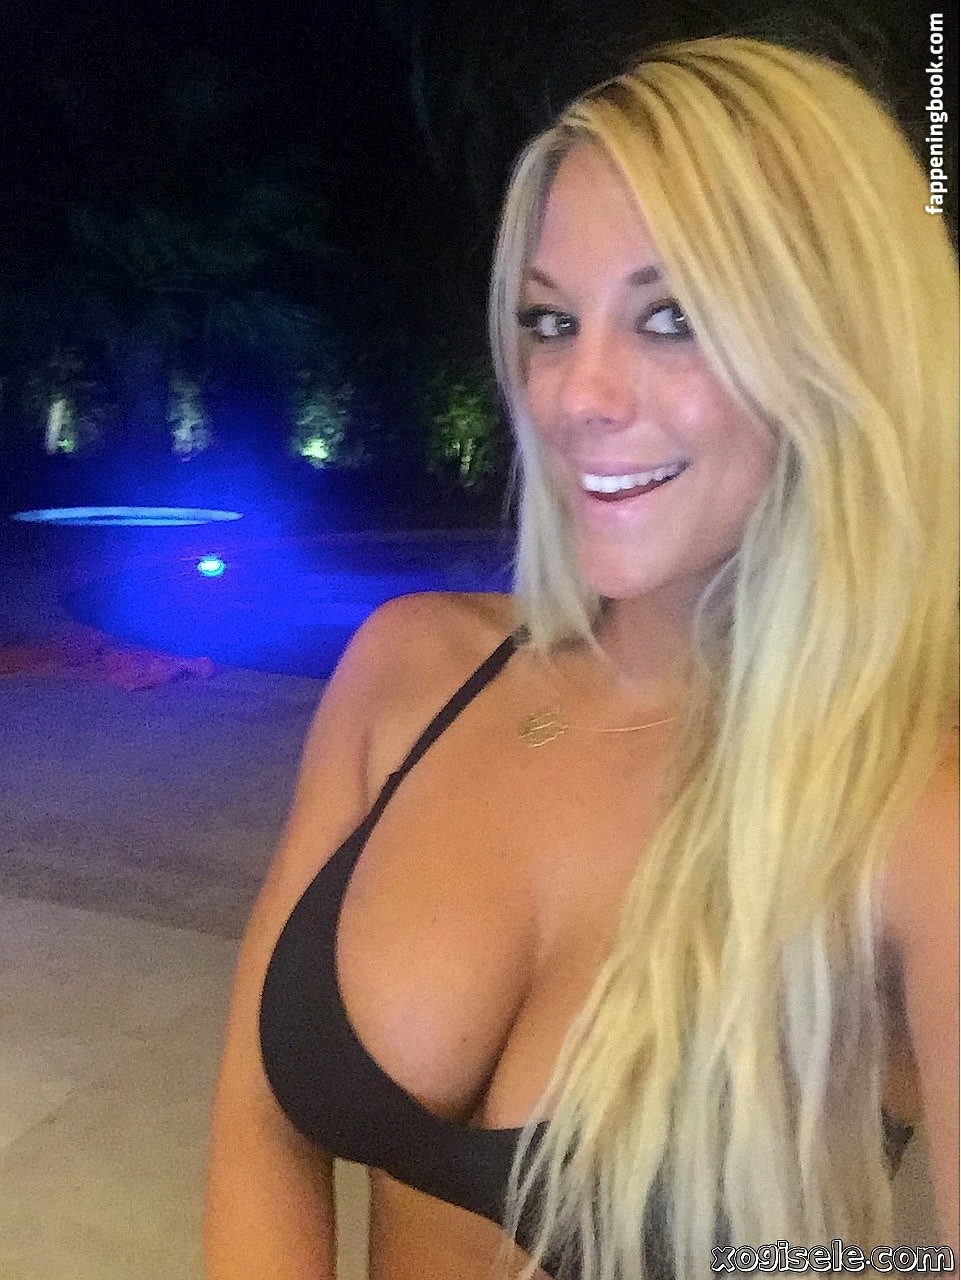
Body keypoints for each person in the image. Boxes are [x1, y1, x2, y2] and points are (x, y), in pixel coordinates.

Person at [204, 35, 958, 1280]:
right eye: (551, 320)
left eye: (672, 317)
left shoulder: (917, 822)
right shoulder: (412, 672)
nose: (574, 393)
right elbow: (260, 1124)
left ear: (843, 352)